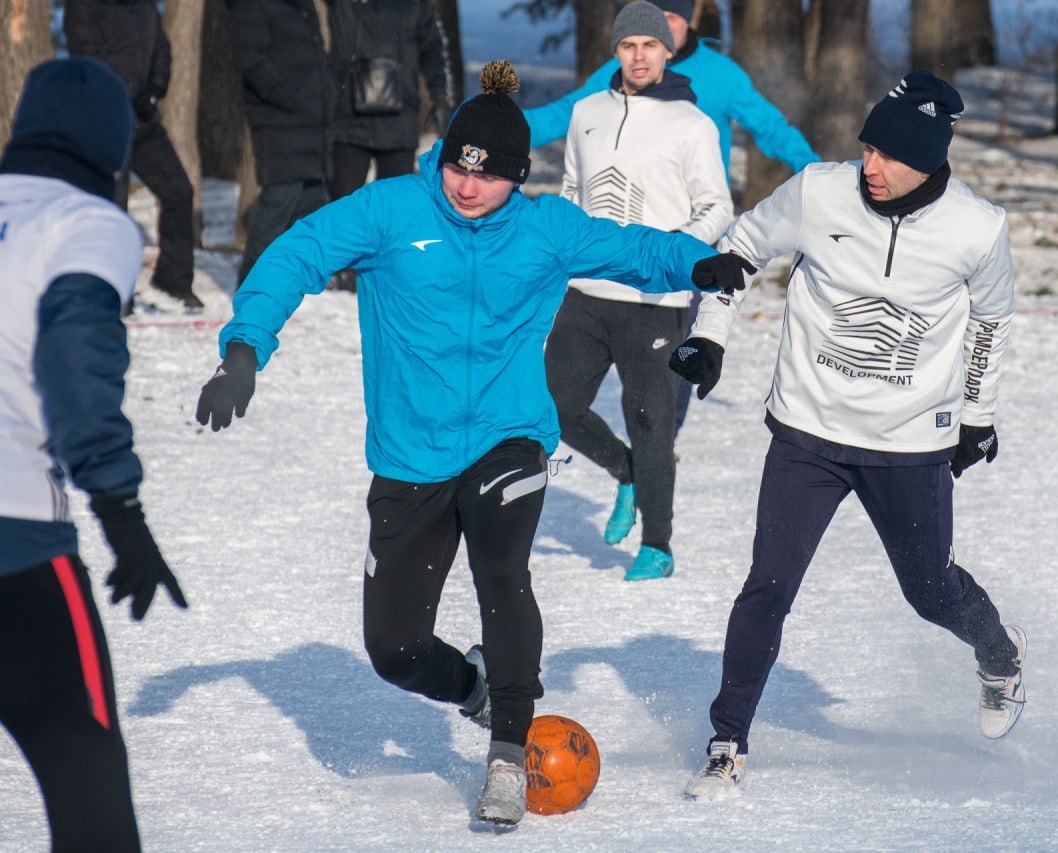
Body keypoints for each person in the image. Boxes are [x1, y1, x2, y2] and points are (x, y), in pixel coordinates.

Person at [194, 60, 740, 827]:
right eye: (456, 166)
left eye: (486, 177)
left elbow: (631, 247)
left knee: (502, 566)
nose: (465, 187)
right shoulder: (391, 211)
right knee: (395, 649)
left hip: (507, 437)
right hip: (410, 456)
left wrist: (695, 261)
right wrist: (246, 346)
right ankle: (477, 692)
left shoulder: (546, 228)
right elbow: (297, 253)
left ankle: (509, 756)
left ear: (517, 177)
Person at [673, 72, 1025, 799]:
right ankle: (728, 740)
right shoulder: (816, 193)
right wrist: (710, 337)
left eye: (889, 156)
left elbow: (991, 322)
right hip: (806, 431)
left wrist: (977, 415)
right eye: (867, 148)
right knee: (767, 586)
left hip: (908, 443)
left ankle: (998, 648)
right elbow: (737, 250)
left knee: (930, 592)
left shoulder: (978, 228)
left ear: (929, 160)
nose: (871, 165)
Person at [0, 57, 188, 851]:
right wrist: (121, 512)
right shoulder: (88, 223)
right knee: (90, 797)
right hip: (15, 542)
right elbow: (73, 363)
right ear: (112, 152)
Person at [545, 2, 732, 582]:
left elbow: (717, 205)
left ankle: (657, 544)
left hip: (656, 298)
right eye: (628, 46)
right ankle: (625, 473)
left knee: (649, 418)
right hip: (586, 288)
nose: (639, 56)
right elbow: (572, 189)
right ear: (616, 50)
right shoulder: (585, 112)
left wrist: (679, 248)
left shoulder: (691, 123)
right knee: (551, 407)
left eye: (649, 46)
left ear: (667, 51)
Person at [523, 0, 819, 180]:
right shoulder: (624, 70)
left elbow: (770, 127)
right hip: (634, 209)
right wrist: (497, 124)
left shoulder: (722, 74)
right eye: (657, 16)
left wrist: (814, 170)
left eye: (672, 17)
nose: (663, 26)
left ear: (688, 21)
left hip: (699, 210)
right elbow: (566, 113)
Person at [64, 0, 202, 310]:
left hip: (143, 117)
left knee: (179, 190)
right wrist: (119, 94)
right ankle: (113, 290)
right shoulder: (84, 6)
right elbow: (84, 55)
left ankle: (174, 281)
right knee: (114, 203)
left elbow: (161, 49)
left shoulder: (145, 6)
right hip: (105, 115)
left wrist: (153, 90)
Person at [324, 0, 456, 291]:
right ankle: (345, 266)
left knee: (395, 203)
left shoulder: (417, 6)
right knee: (345, 198)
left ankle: (386, 266)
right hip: (348, 115)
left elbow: (433, 48)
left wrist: (439, 95)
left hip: (398, 115)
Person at [227, 0, 334, 287]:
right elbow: (250, 61)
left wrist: (324, 98)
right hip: (278, 120)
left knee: (311, 199)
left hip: (313, 121)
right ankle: (251, 285)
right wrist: (290, 97)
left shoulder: (303, 6)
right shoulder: (254, 7)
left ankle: (290, 278)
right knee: (280, 200)